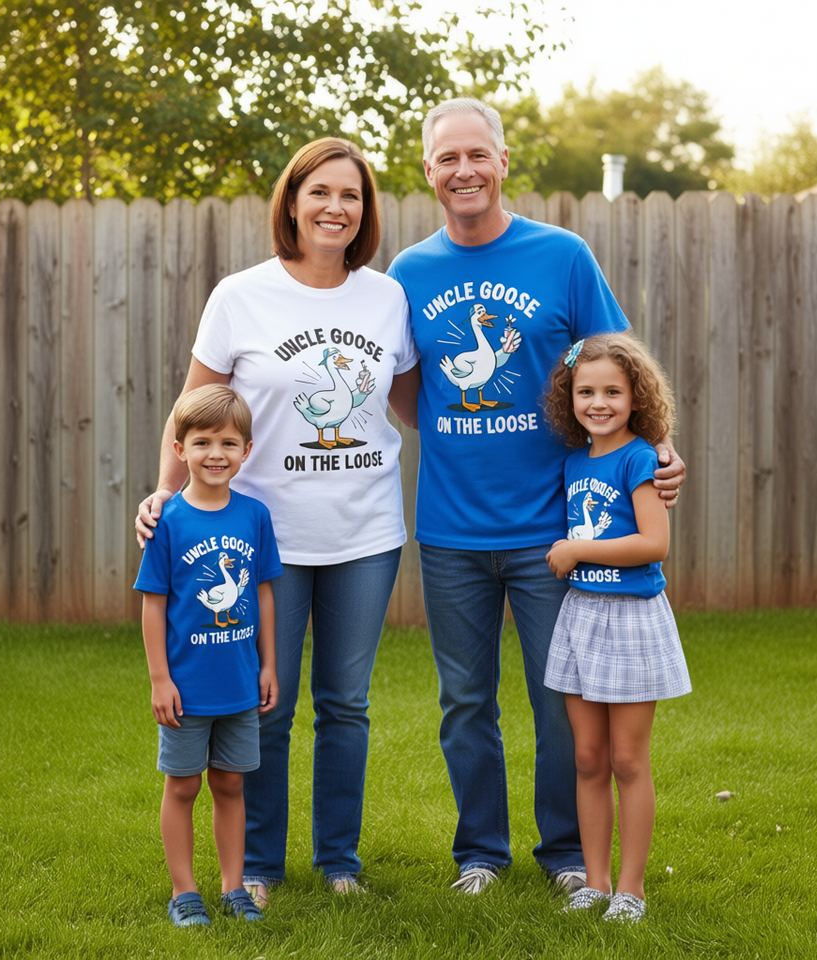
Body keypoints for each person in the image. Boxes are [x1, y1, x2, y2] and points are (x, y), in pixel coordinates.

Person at [386, 98, 686, 894]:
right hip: (451, 531)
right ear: (429, 172)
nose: (464, 171)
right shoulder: (408, 273)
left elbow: (619, 364)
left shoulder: (563, 256)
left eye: (477, 155)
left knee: (562, 701)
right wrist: (456, 431)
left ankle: (565, 856)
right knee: (464, 702)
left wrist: (659, 447)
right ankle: (481, 854)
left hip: (554, 533)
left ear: (503, 162)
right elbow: (408, 392)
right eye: (448, 159)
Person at [135, 138, 420, 906]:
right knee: (268, 702)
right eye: (319, 192)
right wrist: (164, 492)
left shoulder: (386, 299)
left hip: (365, 534)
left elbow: (416, 407)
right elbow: (191, 410)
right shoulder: (241, 296)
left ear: (365, 211)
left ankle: (339, 862)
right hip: (265, 541)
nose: (335, 207)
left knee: (346, 704)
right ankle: (258, 866)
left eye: (350, 195)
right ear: (291, 203)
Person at [543, 333, 691, 922]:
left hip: (630, 619)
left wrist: (577, 548)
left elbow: (654, 543)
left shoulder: (639, 459)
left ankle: (632, 891)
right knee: (587, 757)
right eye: (586, 392)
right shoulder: (574, 462)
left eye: (613, 392)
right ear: (569, 398)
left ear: (636, 398)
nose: (598, 403)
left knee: (627, 760)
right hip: (581, 616)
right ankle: (595, 883)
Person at [134, 384, 282, 927]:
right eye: (202, 442)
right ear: (180, 450)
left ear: (246, 450)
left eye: (228, 443)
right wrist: (160, 679)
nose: (215, 454)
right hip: (187, 689)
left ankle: (233, 887)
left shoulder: (255, 516)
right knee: (183, 785)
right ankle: (184, 892)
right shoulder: (168, 521)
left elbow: (262, 594)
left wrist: (269, 665)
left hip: (239, 684)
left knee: (230, 783)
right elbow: (153, 605)